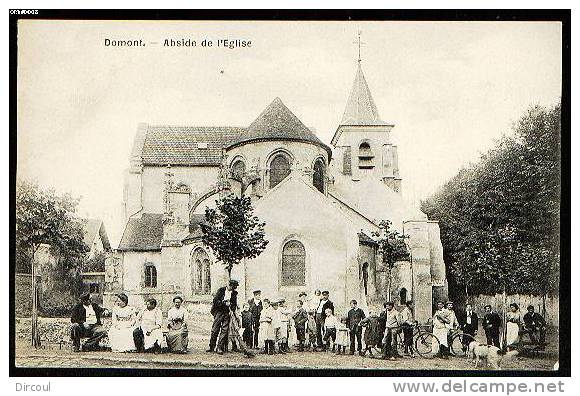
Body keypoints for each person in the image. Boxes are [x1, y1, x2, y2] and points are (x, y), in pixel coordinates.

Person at [208, 279, 239, 354]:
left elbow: (234, 305)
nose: (231, 288)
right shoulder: (221, 290)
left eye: (233, 287)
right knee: (215, 329)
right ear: (229, 285)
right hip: (219, 312)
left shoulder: (234, 293)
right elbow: (215, 301)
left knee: (224, 331)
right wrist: (223, 303)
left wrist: (231, 305)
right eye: (230, 286)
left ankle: (219, 347)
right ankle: (212, 347)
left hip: (227, 313)